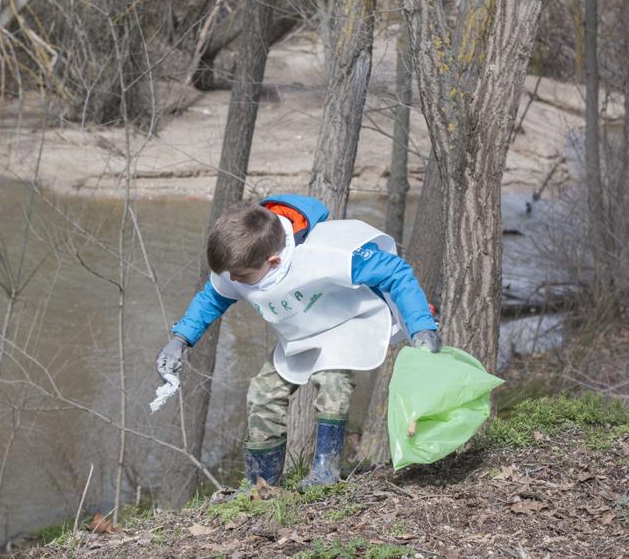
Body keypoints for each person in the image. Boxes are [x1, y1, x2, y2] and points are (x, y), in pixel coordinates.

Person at [155, 194, 441, 490]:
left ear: (274, 261)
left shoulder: (325, 252)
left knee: (332, 383)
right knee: (262, 393)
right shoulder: (240, 265)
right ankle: (261, 485)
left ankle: (325, 471)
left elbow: (395, 272)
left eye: (240, 276)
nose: (234, 282)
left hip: (345, 325)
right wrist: (180, 339)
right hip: (299, 333)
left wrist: (420, 326)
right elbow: (211, 298)